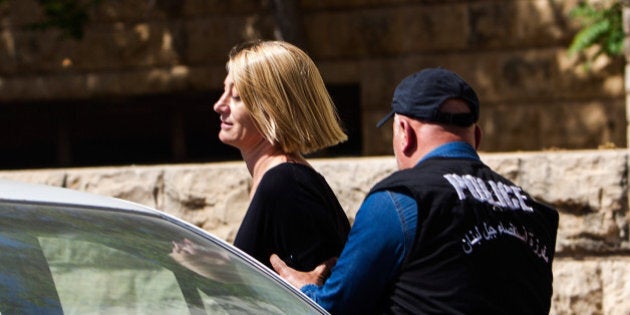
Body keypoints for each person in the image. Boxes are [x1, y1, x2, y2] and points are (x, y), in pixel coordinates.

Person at [271, 67, 559, 314]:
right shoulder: (535, 212)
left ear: (405, 133)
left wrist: (300, 290)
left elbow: (332, 308)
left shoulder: (401, 200)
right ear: (477, 137)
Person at [209, 39, 351, 272]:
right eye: (224, 93)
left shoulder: (285, 184)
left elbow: (317, 289)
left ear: (272, 109)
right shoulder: (280, 178)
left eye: (236, 97)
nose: (218, 105)